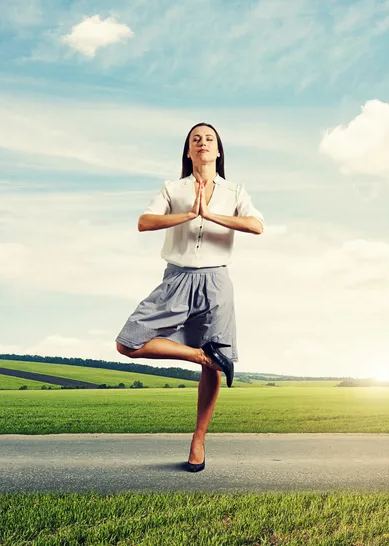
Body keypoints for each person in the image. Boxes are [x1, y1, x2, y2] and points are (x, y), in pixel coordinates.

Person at [115, 122, 265, 472]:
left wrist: (210, 215)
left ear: (218, 151)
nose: (202, 143)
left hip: (216, 281)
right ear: (188, 151)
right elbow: (144, 221)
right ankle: (201, 354)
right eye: (195, 139)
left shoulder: (235, 191)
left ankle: (199, 439)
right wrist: (188, 214)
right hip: (176, 278)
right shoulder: (172, 189)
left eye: (209, 139)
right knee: (129, 343)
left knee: (212, 368)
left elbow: (257, 225)